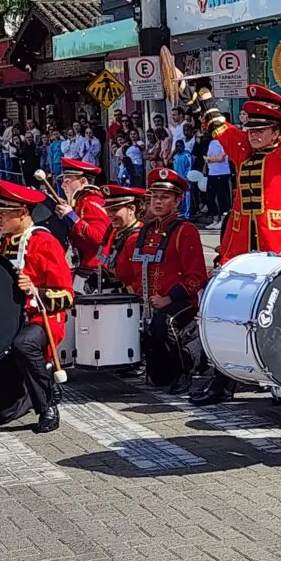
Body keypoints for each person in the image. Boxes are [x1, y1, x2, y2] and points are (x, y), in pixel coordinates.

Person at [0, 180, 75, 433]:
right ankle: (34, 389)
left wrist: (34, 290)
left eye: (4, 212)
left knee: (24, 345)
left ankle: (47, 406)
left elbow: (67, 296)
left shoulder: (44, 242)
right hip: (7, 321)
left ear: (23, 212)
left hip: (41, 319)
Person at [201, 84, 281, 262]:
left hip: (273, 235)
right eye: (251, 130)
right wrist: (205, 95)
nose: (254, 135)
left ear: (275, 133)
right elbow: (220, 127)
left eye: (261, 131)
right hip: (240, 235)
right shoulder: (242, 153)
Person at [117, 169, 208, 394]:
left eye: (165, 197)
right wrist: (138, 292)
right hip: (150, 299)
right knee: (158, 376)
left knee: (163, 325)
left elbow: (197, 277)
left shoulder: (185, 230)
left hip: (179, 300)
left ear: (178, 201)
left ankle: (185, 370)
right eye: (154, 197)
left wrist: (168, 298)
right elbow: (133, 268)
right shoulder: (145, 230)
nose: (158, 201)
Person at [55, 159, 111, 277]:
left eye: (67, 181)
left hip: (94, 270)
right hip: (84, 266)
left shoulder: (91, 203)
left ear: (83, 181)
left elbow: (100, 238)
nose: (63, 185)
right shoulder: (82, 203)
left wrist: (72, 217)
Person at [91, 184, 146, 295]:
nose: (110, 214)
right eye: (108, 209)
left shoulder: (138, 238)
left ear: (131, 209)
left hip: (130, 302)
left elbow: (145, 279)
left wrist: (121, 291)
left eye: (115, 209)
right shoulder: (114, 232)